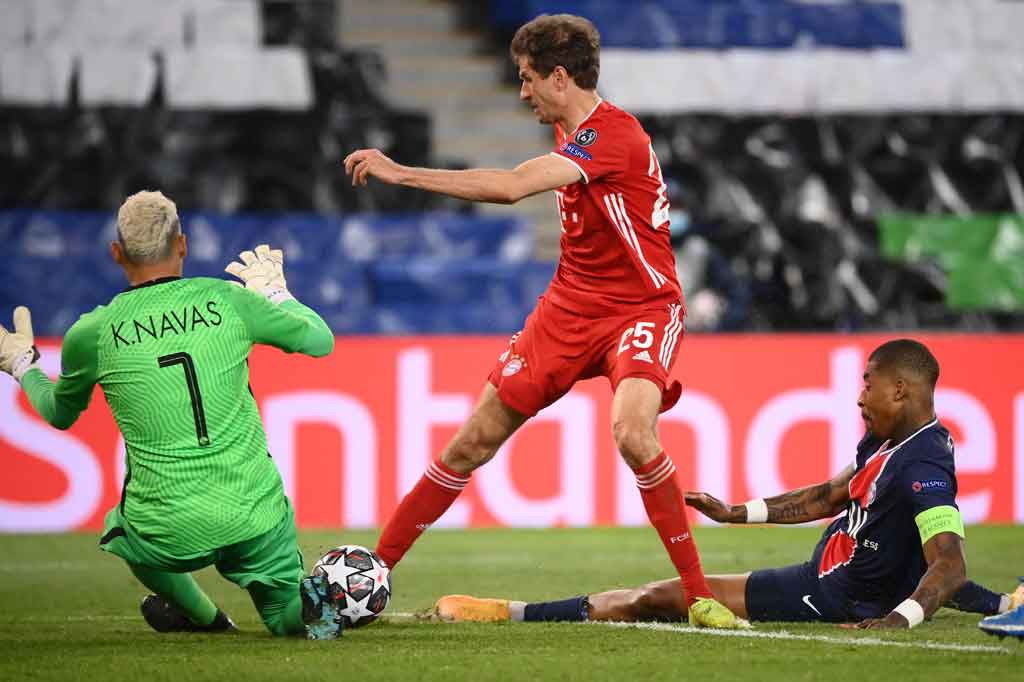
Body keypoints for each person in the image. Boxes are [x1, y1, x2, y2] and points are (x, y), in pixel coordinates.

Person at [343, 13, 736, 628]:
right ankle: (373, 573)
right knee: (471, 441)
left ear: (559, 77)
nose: (522, 91)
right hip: (569, 306)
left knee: (633, 433)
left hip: (642, 307)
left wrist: (402, 172)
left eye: (527, 78)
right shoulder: (570, 131)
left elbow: (511, 187)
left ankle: (699, 595)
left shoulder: (614, 135)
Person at [429, 340, 1023, 629]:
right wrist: (735, 512)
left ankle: (510, 612)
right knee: (671, 593)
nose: (859, 395)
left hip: (833, 595)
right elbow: (827, 496)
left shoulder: (923, 468)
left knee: (663, 597)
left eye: (868, 383)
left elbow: (948, 565)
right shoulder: (890, 441)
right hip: (838, 576)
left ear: (901, 390)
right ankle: (1009, 603)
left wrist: (896, 622)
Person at [0, 191, 344, 640]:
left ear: (116, 253)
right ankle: (313, 607)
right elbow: (321, 341)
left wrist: (23, 365)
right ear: (182, 244)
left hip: (165, 528)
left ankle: (206, 619)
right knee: (284, 617)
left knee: (122, 533)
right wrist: (277, 294)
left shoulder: (92, 333)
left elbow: (58, 413)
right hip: (253, 514)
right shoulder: (227, 300)